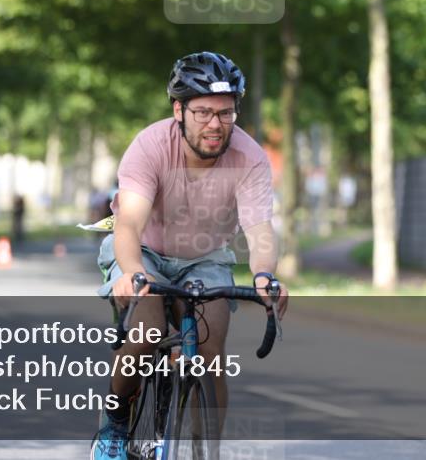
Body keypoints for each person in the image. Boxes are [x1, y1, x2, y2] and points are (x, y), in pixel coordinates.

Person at [90, 51, 289, 460]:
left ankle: (205, 451)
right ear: (178, 110)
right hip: (144, 249)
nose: (216, 124)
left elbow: (259, 230)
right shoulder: (150, 146)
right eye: (203, 112)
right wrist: (131, 272)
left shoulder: (250, 159)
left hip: (204, 258)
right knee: (145, 333)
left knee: (210, 352)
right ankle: (116, 423)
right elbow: (128, 224)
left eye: (226, 112)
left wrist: (265, 276)